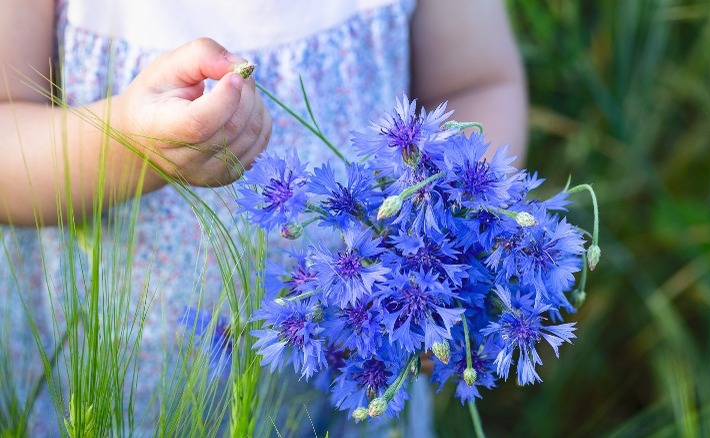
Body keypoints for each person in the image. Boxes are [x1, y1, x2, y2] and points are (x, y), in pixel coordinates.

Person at [0, 0, 526, 434]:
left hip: (362, 382)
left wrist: (454, 260)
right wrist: (132, 145)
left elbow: (477, 84)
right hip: (115, 398)